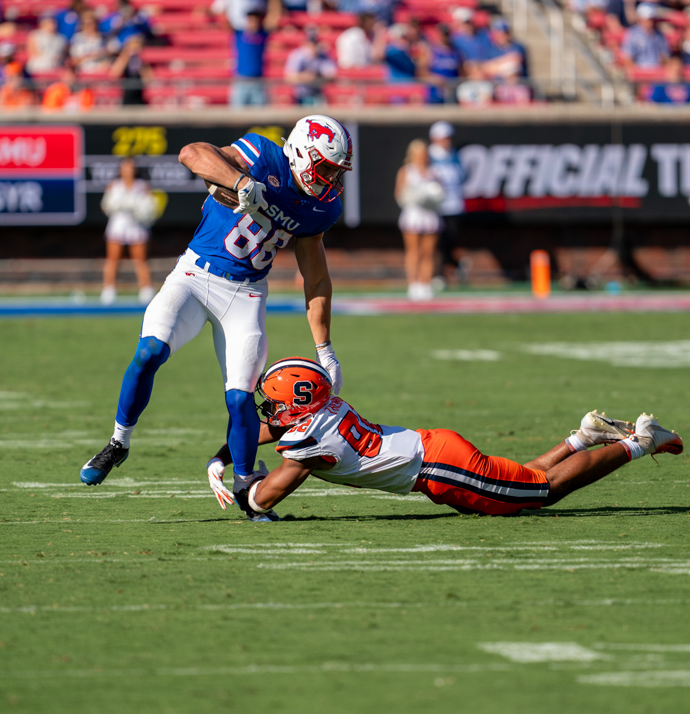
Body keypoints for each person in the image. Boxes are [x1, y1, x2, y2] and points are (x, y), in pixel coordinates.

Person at [79, 115, 354, 525]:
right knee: (149, 351)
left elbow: (315, 277)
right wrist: (240, 182)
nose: (331, 179)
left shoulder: (320, 208)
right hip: (192, 276)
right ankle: (119, 442)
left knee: (240, 397)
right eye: (327, 168)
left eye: (336, 171)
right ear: (301, 153)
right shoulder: (262, 155)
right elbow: (191, 154)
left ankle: (246, 487)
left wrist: (325, 348)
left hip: (246, 294)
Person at [207, 358, 684, 520]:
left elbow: (265, 499)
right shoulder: (326, 410)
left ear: (300, 404)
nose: (271, 411)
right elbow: (263, 431)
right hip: (435, 449)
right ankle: (584, 436)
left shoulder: (309, 441)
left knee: (542, 493)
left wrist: (248, 489)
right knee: (521, 481)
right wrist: (224, 456)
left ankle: (640, 441)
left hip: (439, 468)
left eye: (276, 401)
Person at [100, 157, 158, 305]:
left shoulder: (142, 186)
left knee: (140, 259)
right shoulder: (114, 185)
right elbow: (105, 206)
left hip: (136, 226)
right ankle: (109, 290)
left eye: (131, 167)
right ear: (121, 169)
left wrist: (141, 211)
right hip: (118, 226)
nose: (128, 170)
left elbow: (150, 207)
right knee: (113, 259)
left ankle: (146, 289)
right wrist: (114, 205)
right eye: (125, 167)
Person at [394, 139, 442, 301]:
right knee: (413, 251)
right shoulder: (406, 171)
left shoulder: (434, 171)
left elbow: (441, 193)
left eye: (424, 153)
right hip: (413, 214)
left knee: (429, 252)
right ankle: (413, 284)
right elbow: (399, 194)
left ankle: (425, 284)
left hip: (430, 215)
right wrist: (414, 197)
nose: (422, 156)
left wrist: (434, 198)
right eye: (419, 154)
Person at [427, 121, 467, 285]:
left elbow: (460, 177)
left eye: (448, 138)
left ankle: (449, 267)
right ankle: (437, 274)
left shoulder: (455, 155)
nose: (446, 141)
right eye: (443, 138)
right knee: (435, 242)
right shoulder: (428, 155)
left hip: (453, 205)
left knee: (450, 239)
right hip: (435, 207)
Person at [230, 0, 281, 107]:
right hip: (241, 79)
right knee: (237, 114)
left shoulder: (262, 35)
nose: (253, 23)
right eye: (251, 20)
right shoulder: (239, 34)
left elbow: (274, 17)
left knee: (260, 113)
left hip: (258, 79)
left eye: (255, 20)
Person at [284, 29, 337, 105]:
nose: (312, 46)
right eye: (309, 43)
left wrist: (316, 76)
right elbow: (289, 77)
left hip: (318, 95)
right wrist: (304, 77)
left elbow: (332, 75)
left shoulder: (323, 55)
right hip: (300, 96)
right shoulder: (297, 55)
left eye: (314, 43)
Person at [110, 34, 150, 105]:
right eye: (132, 48)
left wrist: (141, 63)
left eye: (136, 49)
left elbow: (148, 80)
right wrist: (126, 58)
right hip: (125, 96)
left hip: (139, 97)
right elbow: (115, 74)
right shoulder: (123, 59)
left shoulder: (142, 62)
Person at [70, 10, 110, 74]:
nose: (87, 26)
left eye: (90, 23)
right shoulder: (77, 38)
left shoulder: (102, 38)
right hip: (81, 71)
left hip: (99, 71)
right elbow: (74, 60)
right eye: (84, 23)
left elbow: (106, 56)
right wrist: (91, 56)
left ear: (95, 24)